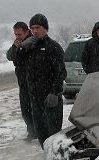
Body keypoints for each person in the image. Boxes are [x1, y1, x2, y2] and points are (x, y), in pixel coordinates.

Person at [21, 14, 66, 148]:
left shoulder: (54, 47)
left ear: (45, 28)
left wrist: (55, 92)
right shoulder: (30, 47)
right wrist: (23, 47)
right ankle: (46, 156)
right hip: (35, 99)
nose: (35, 31)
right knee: (41, 132)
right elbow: (17, 62)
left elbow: (61, 72)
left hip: (50, 99)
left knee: (53, 133)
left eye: (38, 27)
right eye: (32, 28)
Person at [6, 21, 35, 140]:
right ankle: (31, 132)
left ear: (27, 32)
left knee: (36, 110)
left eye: (19, 34)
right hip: (23, 83)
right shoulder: (17, 44)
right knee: (26, 110)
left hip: (35, 82)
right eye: (15, 35)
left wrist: (22, 49)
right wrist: (14, 47)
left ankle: (38, 132)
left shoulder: (33, 42)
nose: (17, 37)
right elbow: (9, 56)